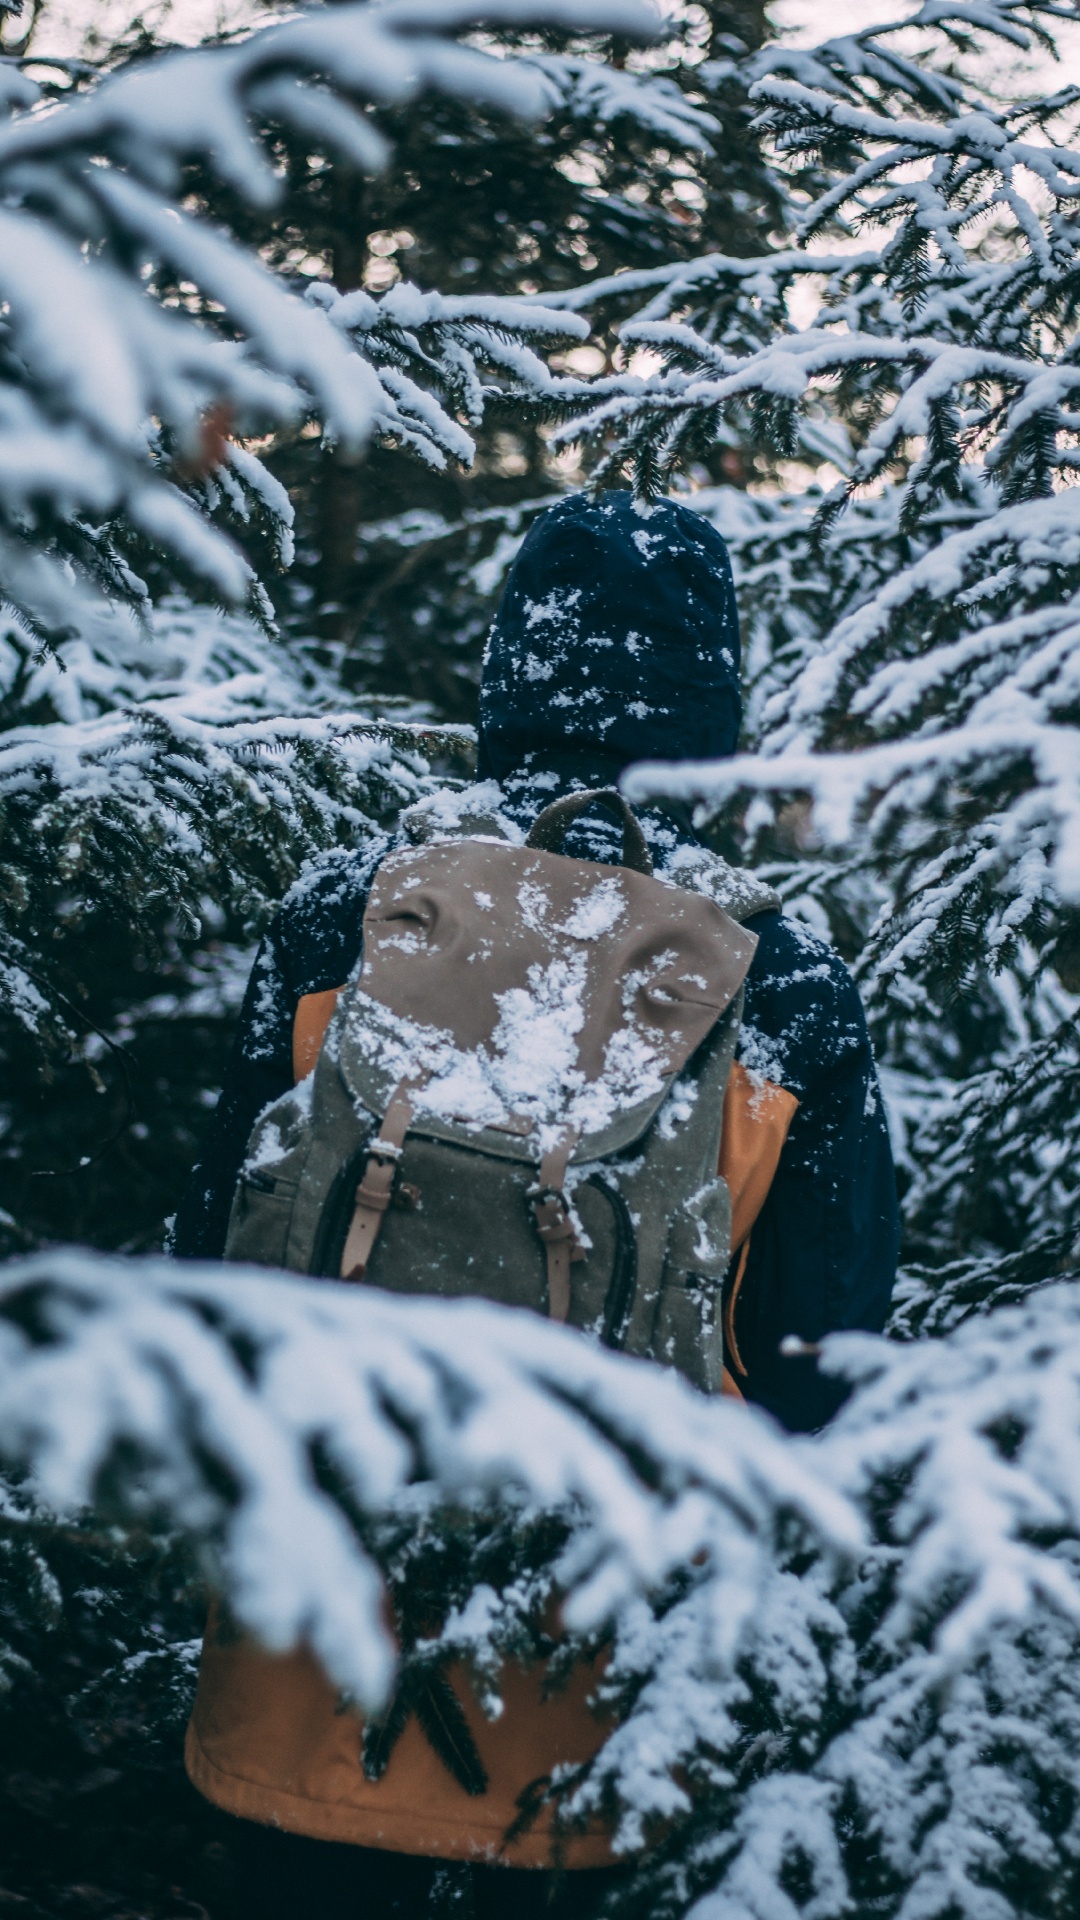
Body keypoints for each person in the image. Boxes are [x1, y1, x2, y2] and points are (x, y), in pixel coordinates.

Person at [174, 489, 899, 1919]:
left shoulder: (356, 916)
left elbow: (211, 1256)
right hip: (606, 1713)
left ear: (509, 673)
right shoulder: (785, 980)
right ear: (714, 702)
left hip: (297, 1677)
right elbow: (831, 1360)